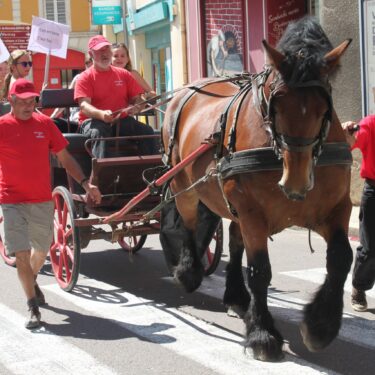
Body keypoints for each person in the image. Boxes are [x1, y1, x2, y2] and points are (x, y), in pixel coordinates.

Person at [0, 79, 102, 329]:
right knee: (21, 254)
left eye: (32, 100)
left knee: (42, 250)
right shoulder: (2, 126)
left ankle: (31, 279)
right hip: (10, 199)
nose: (27, 105)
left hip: (41, 199)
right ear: (10, 101)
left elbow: (65, 157)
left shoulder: (45, 124)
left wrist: (86, 184)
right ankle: (33, 307)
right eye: (22, 101)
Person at [74, 35, 158, 158]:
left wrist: (137, 106)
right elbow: (84, 105)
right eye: (100, 50)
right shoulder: (85, 77)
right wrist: (101, 114)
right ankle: (104, 174)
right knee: (99, 132)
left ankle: (151, 170)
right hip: (93, 122)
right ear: (91, 54)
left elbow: (137, 99)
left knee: (147, 131)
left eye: (107, 49)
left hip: (121, 120)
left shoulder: (124, 74)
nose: (105, 54)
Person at [342, 118, 375, 312]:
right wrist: (344, 132)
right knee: (370, 249)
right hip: (374, 191)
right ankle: (359, 288)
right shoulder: (370, 124)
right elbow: (349, 144)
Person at [50, 53, 93, 125]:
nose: (89, 65)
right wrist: (52, 117)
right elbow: (65, 99)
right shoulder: (79, 78)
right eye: (87, 62)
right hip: (78, 118)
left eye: (91, 61)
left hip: (96, 117)